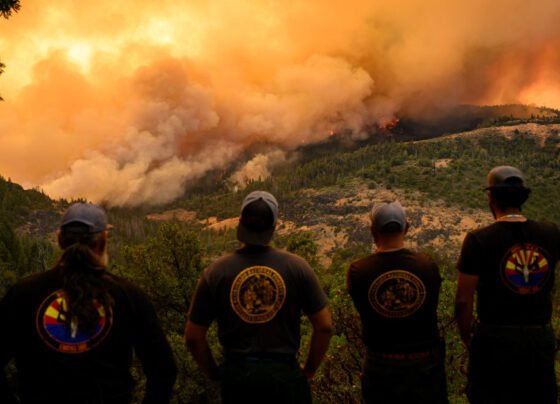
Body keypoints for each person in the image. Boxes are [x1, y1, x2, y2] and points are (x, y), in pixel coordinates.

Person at [0, 203, 177, 404]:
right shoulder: (128, 295)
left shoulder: (23, 294)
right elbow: (163, 369)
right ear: (102, 243)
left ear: (59, 241)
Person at [185, 191, 332, 404]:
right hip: (285, 377)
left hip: (238, 379)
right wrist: (308, 370)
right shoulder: (297, 268)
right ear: (274, 226)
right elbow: (325, 327)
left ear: (240, 222)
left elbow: (193, 336)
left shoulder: (216, 272)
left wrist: (214, 373)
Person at [455, 166, 559, 403]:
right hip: (539, 338)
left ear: (491, 198)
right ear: (524, 196)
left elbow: (463, 300)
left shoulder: (478, 239)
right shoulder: (551, 233)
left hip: (494, 339)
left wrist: (467, 335)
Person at [347, 201, 448, 404]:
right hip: (425, 367)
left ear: (372, 231)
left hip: (380, 367)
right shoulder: (427, 265)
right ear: (407, 227)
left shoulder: (359, 271)